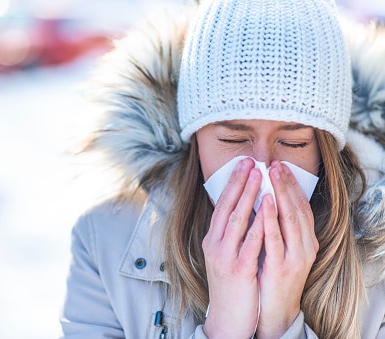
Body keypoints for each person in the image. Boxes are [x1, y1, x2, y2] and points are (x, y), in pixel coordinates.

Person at [60, 0, 385, 337]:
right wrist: (224, 328)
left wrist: (281, 325)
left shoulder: (381, 260)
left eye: (293, 143)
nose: (260, 167)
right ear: (195, 138)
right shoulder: (106, 243)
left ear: (325, 149)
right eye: (233, 139)